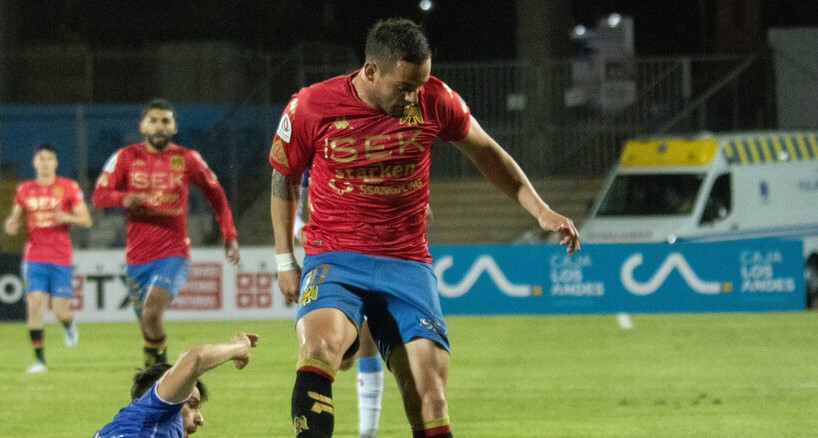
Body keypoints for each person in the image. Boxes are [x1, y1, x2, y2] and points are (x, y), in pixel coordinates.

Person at [269, 18, 580, 437]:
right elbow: (282, 176)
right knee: (318, 350)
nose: (414, 96)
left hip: (407, 264)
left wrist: (540, 210)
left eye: (421, 84)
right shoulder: (312, 105)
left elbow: (487, 153)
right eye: (404, 87)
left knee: (430, 397)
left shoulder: (436, 100)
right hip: (335, 258)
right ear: (371, 71)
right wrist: (285, 259)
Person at [93, 98, 240, 367]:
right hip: (136, 258)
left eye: (165, 121)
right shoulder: (125, 157)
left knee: (151, 314)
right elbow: (99, 196)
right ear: (142, 125)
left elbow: (216, 194)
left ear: (174, 127)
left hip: (173, 253)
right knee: (147, 326)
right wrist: (123, 198)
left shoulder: (187, 159)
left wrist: (229, 233)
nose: (159, 126)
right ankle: (155, 374)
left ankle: (164, 373)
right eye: (153, 120)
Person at [294, 170, 384, 438]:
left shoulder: (379, 151)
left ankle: (367, 433)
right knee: (339, 358)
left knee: (368, 338)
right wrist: (302, 233)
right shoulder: (313, 160)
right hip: (333, 259)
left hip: (378, 254)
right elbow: (292, 211)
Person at [4, 143, 93, 373]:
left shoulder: (68, 187)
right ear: (34, 162)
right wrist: (11, 223)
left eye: (49, 158)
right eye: (40, 158)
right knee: (34, 304)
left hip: (60, 256)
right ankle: (39, 360)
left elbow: (86, 220)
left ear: (56, 162)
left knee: (61, 311)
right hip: (34, 256)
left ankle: (68, 324)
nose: (45, 162)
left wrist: (66, 216)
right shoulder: (25, 189)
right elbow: (15, 216)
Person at [95, 332, 259, 437]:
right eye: (191, 404)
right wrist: (240, 347)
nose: (200, 419)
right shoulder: (155, 411)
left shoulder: (119, 427)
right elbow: (194, 358)